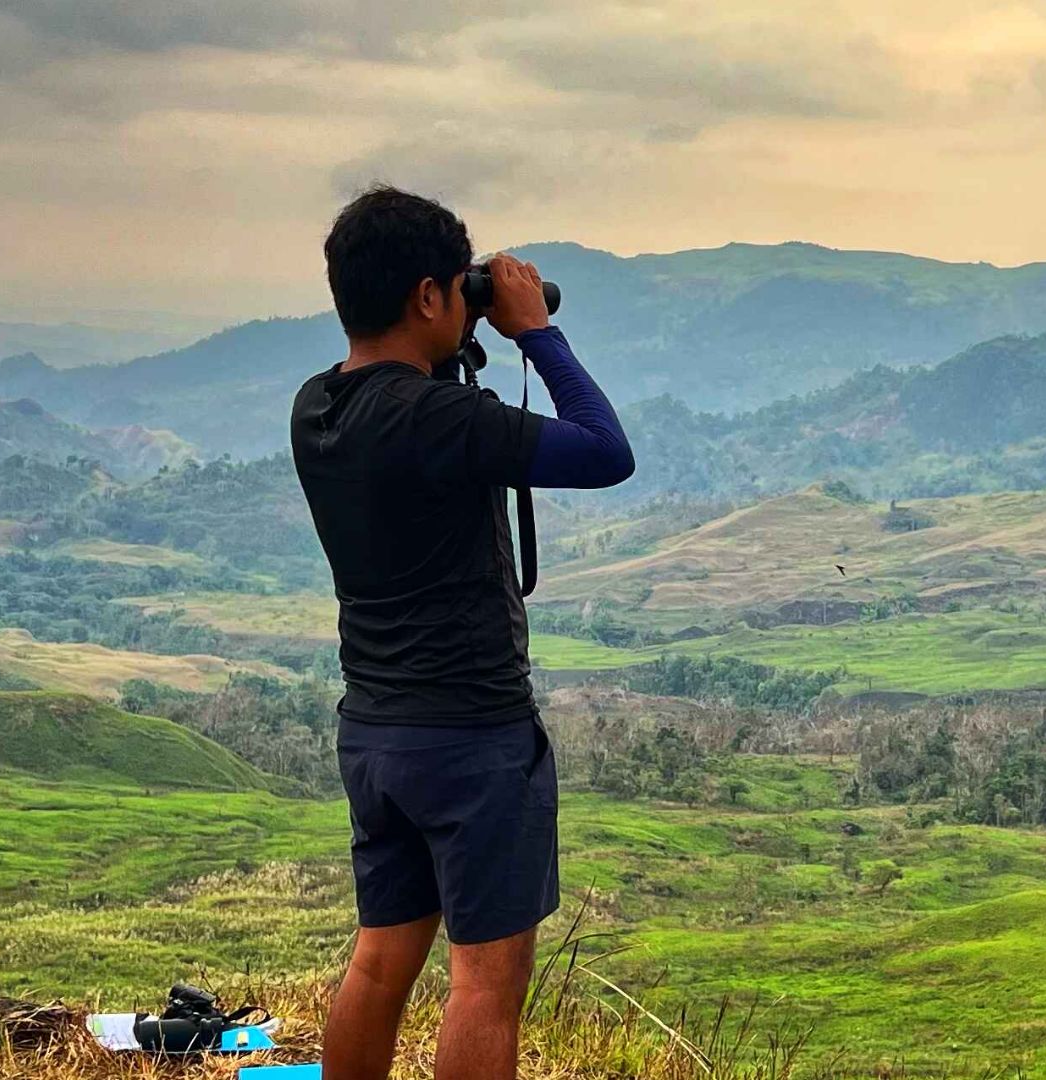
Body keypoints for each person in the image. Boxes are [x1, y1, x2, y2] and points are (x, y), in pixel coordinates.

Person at [290, 185, 634, 1080]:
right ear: (427, 295)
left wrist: (456, 332)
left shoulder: (317, 407)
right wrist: (536, 334)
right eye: (455, 287)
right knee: (485, 984)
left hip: (375, 734)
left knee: (380, 960)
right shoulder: (441, 419)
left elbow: (408, 404)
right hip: (471, 739)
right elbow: (606, 452)